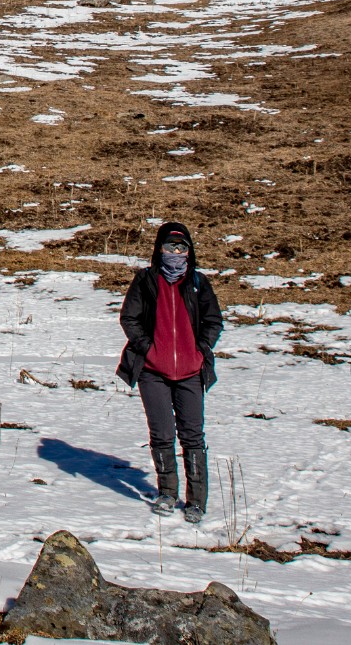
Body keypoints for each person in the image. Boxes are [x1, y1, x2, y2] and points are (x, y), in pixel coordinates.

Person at [115, 221, 224, 522]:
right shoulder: (146, 280)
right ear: (159, 249)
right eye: (170, 246)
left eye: (182, 247)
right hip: (153, 372)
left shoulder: (199, 283)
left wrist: (200, 351)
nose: (176, 252)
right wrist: (149, 349)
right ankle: (167, 493)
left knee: (192, 436)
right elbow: (130, 318)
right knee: (162, 435)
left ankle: (197, 501)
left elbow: (214, 321)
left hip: (190, 372)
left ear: (189, 251)